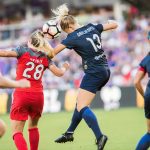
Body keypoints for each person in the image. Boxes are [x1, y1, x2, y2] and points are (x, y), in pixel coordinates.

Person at [37, 4, 118, 150]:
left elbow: (52, 54)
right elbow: (114, 24)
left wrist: (44, 43)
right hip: (105, 70)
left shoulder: (71, 38)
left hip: (93, 72)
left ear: (67, 28)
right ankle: (69, 133)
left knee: (82, 106)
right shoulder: (92, 26)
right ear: (75, 22)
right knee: (79, 104)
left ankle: (100, 136)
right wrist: (109, 21)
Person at [0, 30, 69, 150]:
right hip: (38, 96)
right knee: (33, 127)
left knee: (17, 132)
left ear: (30, 41)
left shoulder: (22, 50)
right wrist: (64, 67)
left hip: (22, 93)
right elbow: (59, 73)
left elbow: (5, 53)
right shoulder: (45, 57)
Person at [134, 31, 150, 150]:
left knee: (149, 133)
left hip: (149, 94)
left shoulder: (146, 59)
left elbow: (136, 81)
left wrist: (145, 96)